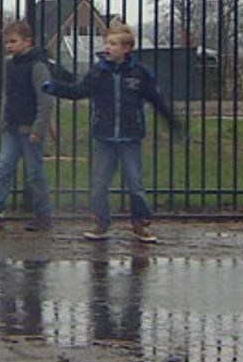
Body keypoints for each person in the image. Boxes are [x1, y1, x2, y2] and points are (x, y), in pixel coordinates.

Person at [45, 22, 182, 244]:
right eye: (107, 43)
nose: (107, 47)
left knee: (135, 184)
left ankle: (140, 224)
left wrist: (173, 123)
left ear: (126, 49)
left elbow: (156, 100)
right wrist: (54, 87)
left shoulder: (140, 73)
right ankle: (101, 223)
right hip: (104, 136)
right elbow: (78, 91)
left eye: (113, 44)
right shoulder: (98, 73)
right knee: (99, 184)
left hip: (130, 136)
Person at [0, 21, 53, 231]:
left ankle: (43, 215)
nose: (9, 46)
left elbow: (45, 99)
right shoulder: (10, 65)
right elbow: (7, 95)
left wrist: (38, 128)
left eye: (13, 41)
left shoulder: (37, 66)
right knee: (3, 169)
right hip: (12, 126)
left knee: (34, 172)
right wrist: (3, 120)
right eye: (7, 42)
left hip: (29, 127)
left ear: (27, 42)